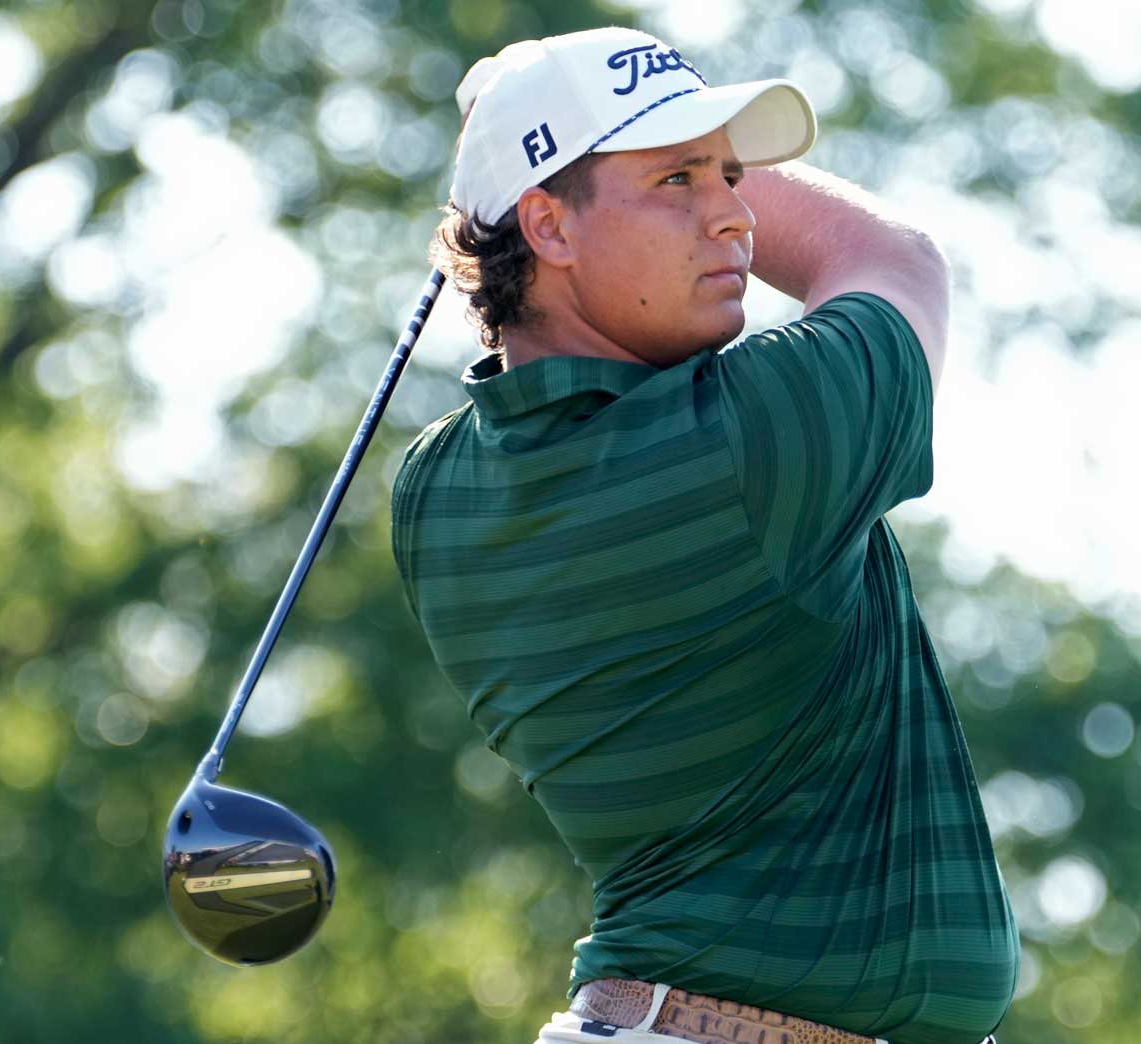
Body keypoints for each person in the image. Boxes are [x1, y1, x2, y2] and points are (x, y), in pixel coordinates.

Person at [389, 26, 1018, 1044]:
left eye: (734, 174)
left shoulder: (432, 495)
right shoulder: (746, 442)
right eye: (680, 179)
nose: (734, 215)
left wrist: (520, 173)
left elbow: (537, 350)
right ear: (547, 226)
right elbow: (890, 258)